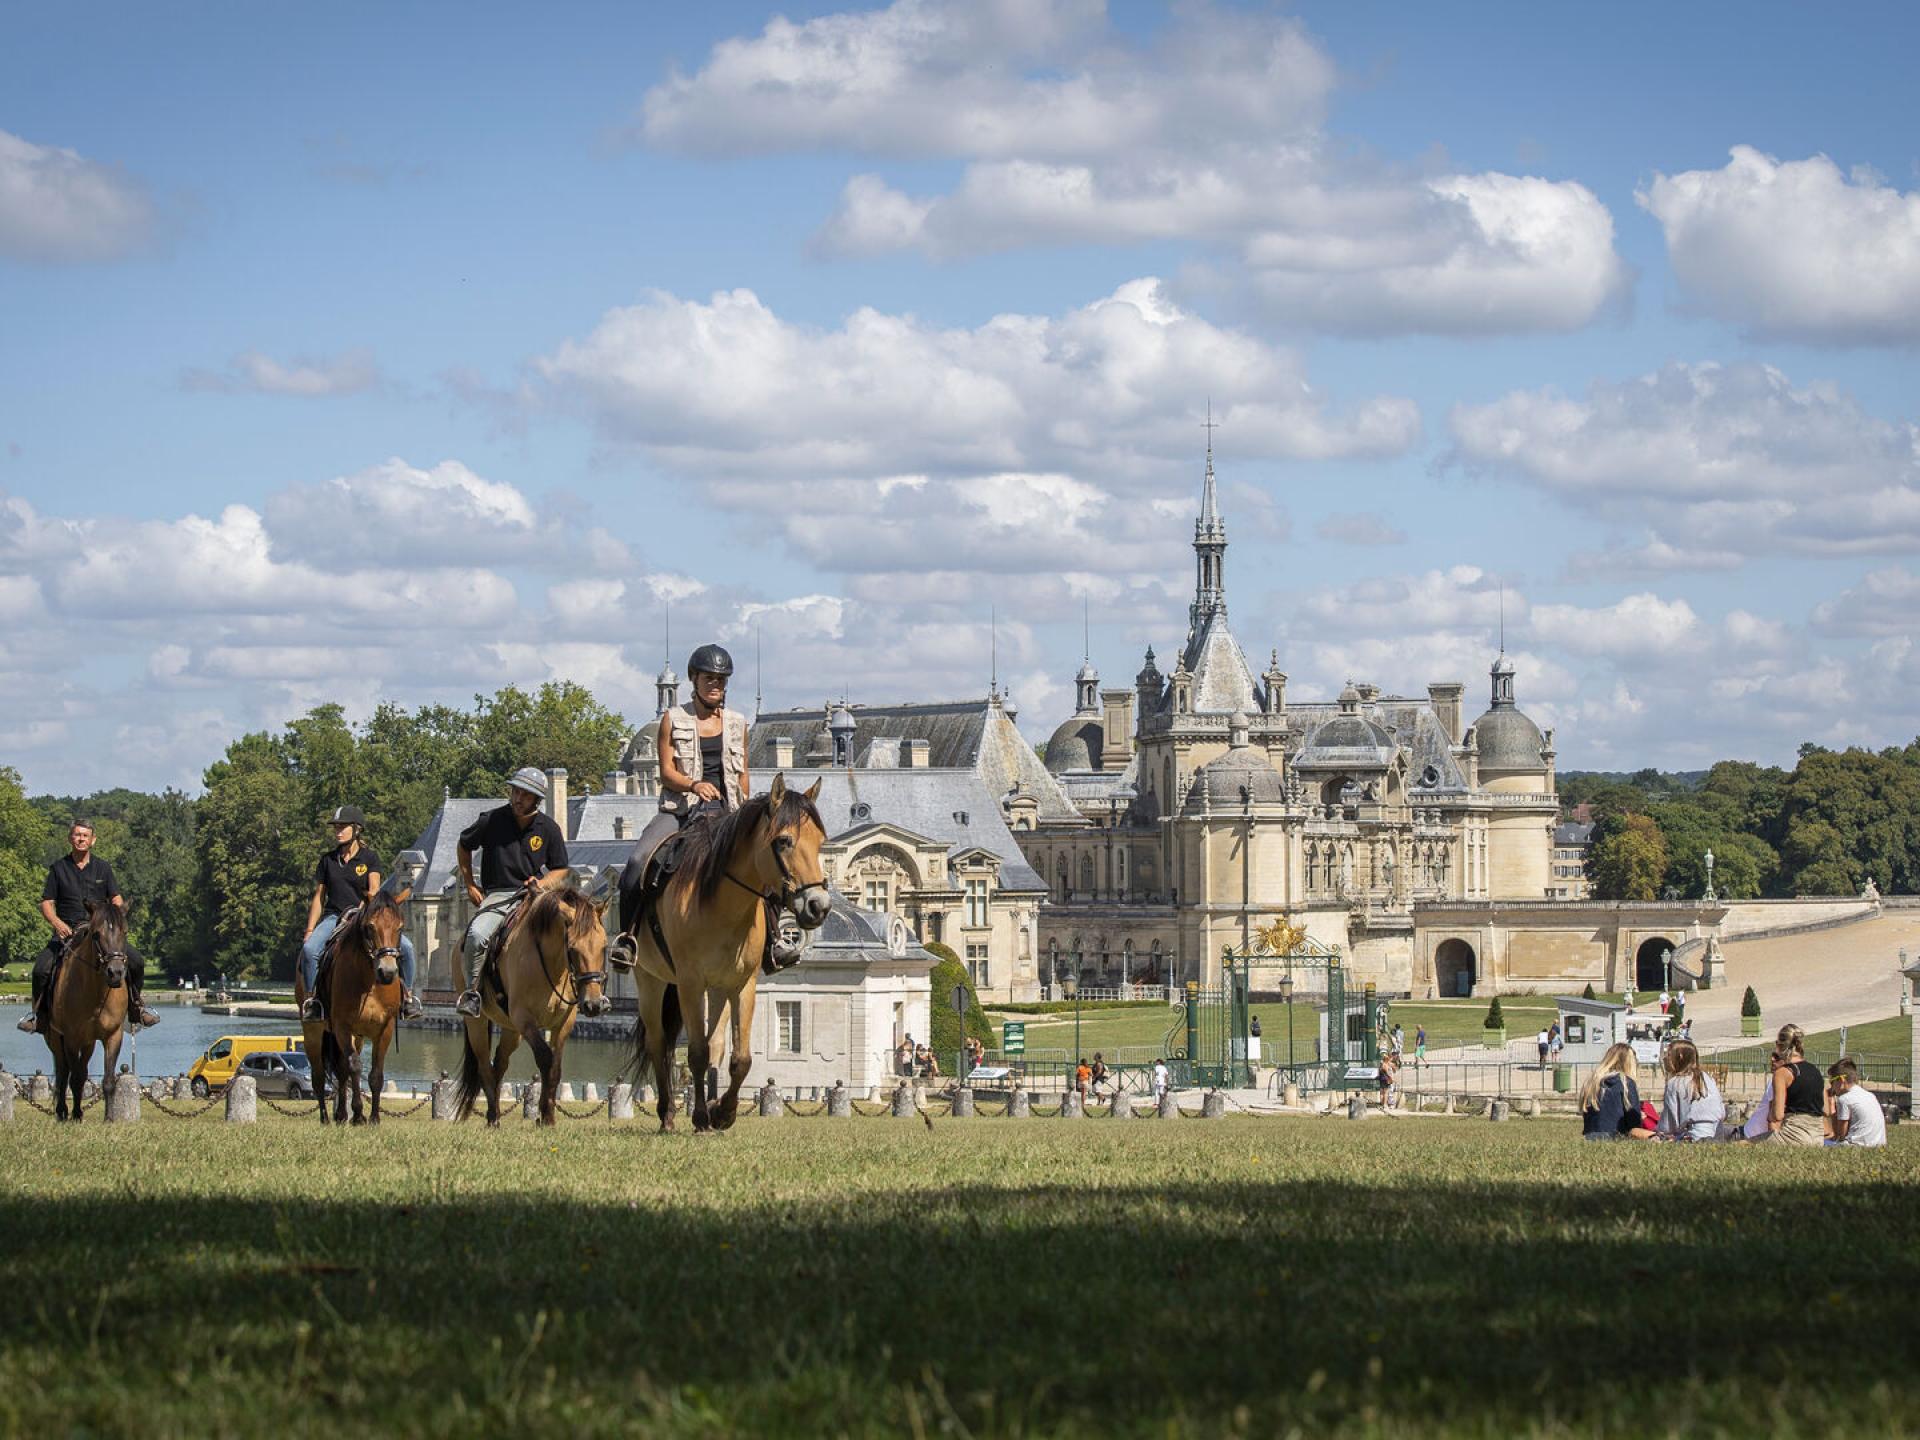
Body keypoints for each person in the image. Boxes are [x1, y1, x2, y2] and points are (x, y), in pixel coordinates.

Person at [610, 644, 798, 976]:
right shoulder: (672, 719)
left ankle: (775, 939)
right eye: (709, 678)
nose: (716, 685)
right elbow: (666, 771)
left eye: (722, 680)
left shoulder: (738, 723)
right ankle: (628, 939)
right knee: (638, 861)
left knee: (767, 861)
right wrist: (693, 784)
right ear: (693, 679)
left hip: (728, 813)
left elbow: (743, 775)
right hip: (681, 810)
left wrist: (747, 811)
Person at [18, 818, 158, 1033]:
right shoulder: (58, 868)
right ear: (70, 838)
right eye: (77, 834)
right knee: (40, 969)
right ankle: (40, 1017)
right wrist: (57, 923)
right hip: (68, 931)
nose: (81, 839)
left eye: (85, 835)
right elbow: (46, 902)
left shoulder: (103, 868)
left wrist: (117, 918)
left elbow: (116, 898)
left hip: (100, 933)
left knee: (137, 961)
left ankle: (136, 1009)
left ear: (93, 840)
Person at [453, 768, 570, 1018]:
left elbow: (561, 868)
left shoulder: (548, 829)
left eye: (525, 795)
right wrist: (470, 884)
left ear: (537, 799)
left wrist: (542, 882)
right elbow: (464, 846)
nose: (518, 798)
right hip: (500, 894)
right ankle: (472, 993)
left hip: (534, 895)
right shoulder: (490, 820)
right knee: (476, 935)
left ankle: (584, 989)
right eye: (516, 791)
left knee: (573, 930)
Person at [298, 806, 421, 1021]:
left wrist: (371, 912)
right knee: (309, 951)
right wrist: (310, 929)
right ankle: (313, 1002)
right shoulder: (327, 860)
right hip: (333, 917)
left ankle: (408, 998)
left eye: (342, 826)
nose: (338, 831)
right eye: (336, 827)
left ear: (357, 829)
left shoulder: (369, 858)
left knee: (408, 948)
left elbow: (374, 890)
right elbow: (319, 897)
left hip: (363, 916)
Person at [1749, 1024, 1826, 1146]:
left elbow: (1777, 1115)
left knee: (1744, 1144)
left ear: (1780, 1046)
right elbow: (1825, 1109)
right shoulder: (1815, 1071)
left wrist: (1770, 1114)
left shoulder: (1783, 1073)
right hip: (1818, 1137)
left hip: (1794, 1136)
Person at [1578, 1043, 1654, 1140]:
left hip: (1589, 1137)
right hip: (1617, 1137)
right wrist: (1641, 1117)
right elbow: (1634, 1126)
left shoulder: (1591, 1082)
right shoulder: (1626, 1083)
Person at [1654, 1039, 1725, 1141]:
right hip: (1717, 1133)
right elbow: (1721, 1110)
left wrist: (1658, 1132)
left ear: (1680, 1057)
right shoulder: (1707, 1078)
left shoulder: (1675, 1083)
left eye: (1668, 1055)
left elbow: (1669, 1123)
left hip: (1692, 1135)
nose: (1664, 1058)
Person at [1825, 1057, 1887, 1148]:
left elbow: (1840, 1136)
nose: (1832, 1087)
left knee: (1818, 1142)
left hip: (1855, 1146)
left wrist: (1831, 1106)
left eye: (1832, 1082)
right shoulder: (1870, 1095)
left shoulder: (1844, 1099)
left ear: (1841, 1080)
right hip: (1879, 1145)